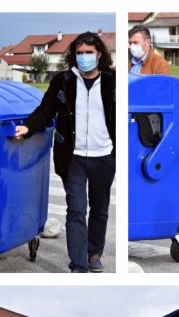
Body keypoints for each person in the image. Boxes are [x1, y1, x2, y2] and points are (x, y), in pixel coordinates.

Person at [16, 32, 115, 273]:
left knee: (100, 208)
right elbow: (46, 110)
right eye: (79, 53)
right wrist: (28, 127)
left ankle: (93, 253)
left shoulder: (113, 81)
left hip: (104, 155)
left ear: (99, 54)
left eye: (89, 53)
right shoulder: (63, 81)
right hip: (73, 158)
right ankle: (78, 265)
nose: (84, 58)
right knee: (77, 208)